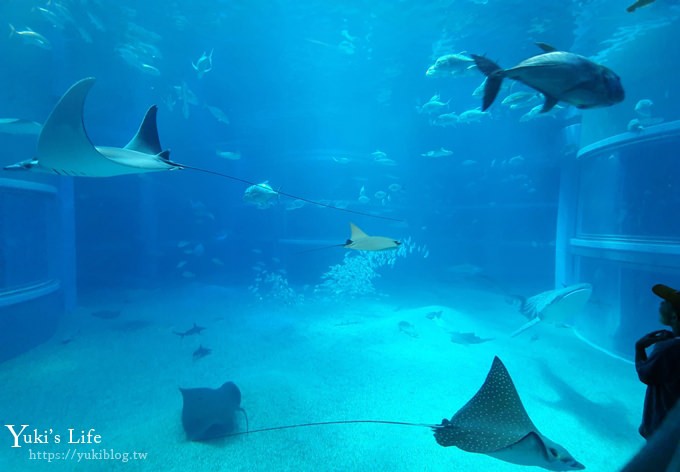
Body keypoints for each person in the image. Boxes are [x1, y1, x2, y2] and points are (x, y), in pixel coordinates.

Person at [635, 284, 680, 440]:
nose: (660, 304)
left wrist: (639, 348)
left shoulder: (667, 349)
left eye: (666, 302)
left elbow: (645, 374)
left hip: (661, 427)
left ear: (674, 316)